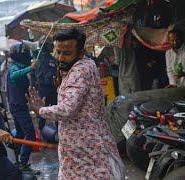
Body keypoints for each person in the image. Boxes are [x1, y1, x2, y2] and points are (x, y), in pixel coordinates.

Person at [27, 28, 125, 179]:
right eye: (57, 52)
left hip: (86, 151)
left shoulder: (80, 70)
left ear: (81, 52)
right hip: (78, 151)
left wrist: (41, 110)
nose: (60, 58)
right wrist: (61, 86)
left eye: (67, 53)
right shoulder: (83, 65)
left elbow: (68, 109)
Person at [7, 43, 38, 173]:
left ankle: (16, 160)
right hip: (18, 106)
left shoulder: (20, 66)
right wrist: (30, 68)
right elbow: (14, 75)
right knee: (30, 134)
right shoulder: (14, 68)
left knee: (20, 133)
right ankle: (23, 163)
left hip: (19, 105)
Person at [23, 37, 58, 130]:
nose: (52, 46)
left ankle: (56, 131)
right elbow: (33, 75)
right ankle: (42, 133)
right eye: (50, 45)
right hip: (44, 89)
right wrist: (33, 86)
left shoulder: (53, 59)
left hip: (52, 88)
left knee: (56, 113)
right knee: (42, 112)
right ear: (46, 46)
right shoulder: (38, 59)